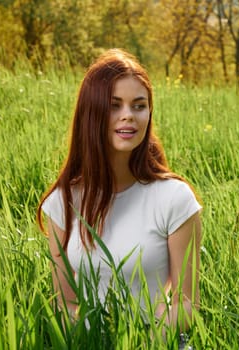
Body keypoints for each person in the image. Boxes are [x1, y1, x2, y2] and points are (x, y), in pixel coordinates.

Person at [37, 49, 202, 340]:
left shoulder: (175, 199)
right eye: (115, 105)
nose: (128, 116)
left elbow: (186, 303)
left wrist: (142, 345)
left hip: (158, 343)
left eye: (139, 106)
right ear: (92, 113)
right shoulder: (63, 202)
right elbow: (65, 304)